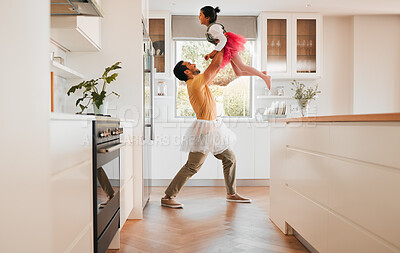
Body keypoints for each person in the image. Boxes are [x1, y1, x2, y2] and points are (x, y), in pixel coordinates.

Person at [161, 49, 252, 209]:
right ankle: (168, 196)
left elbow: (217, 67)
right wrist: (223, 46)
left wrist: (219, 50)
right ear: (188, 72)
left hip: (214, 130)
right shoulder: (195, 83)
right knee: (192, 166)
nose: (194, 63)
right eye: (190, 63)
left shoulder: (198, 82)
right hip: (204, 132)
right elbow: (215, 65)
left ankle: (231, 194)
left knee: (229, 158)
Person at [199, 6, 272, 90]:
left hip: (229, 47)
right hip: (227, 48)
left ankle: (265, 77)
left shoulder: (213, 28)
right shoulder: (212, 28)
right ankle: (262, 74)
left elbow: (223, 39)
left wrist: (213, 52)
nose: (199, 17)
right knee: (238, 72)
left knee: (242, 67)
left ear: (207, 17)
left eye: (200, 15)